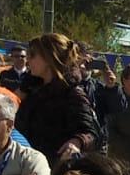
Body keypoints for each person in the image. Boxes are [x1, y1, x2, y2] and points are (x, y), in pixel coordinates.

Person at [14, 33, 101, 166]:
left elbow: (91, 133)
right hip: (23, 164)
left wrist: (77, 142)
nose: (27, 61)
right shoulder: (31, 89)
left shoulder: (72, 94)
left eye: (32, 55)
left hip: (54, 169)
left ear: (48, 58)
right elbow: (7, 111)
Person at [91, 64, 126, 146]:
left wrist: (112, 86)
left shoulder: (99, 88)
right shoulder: (66, 84)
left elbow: (118, 108)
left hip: (96, 142)